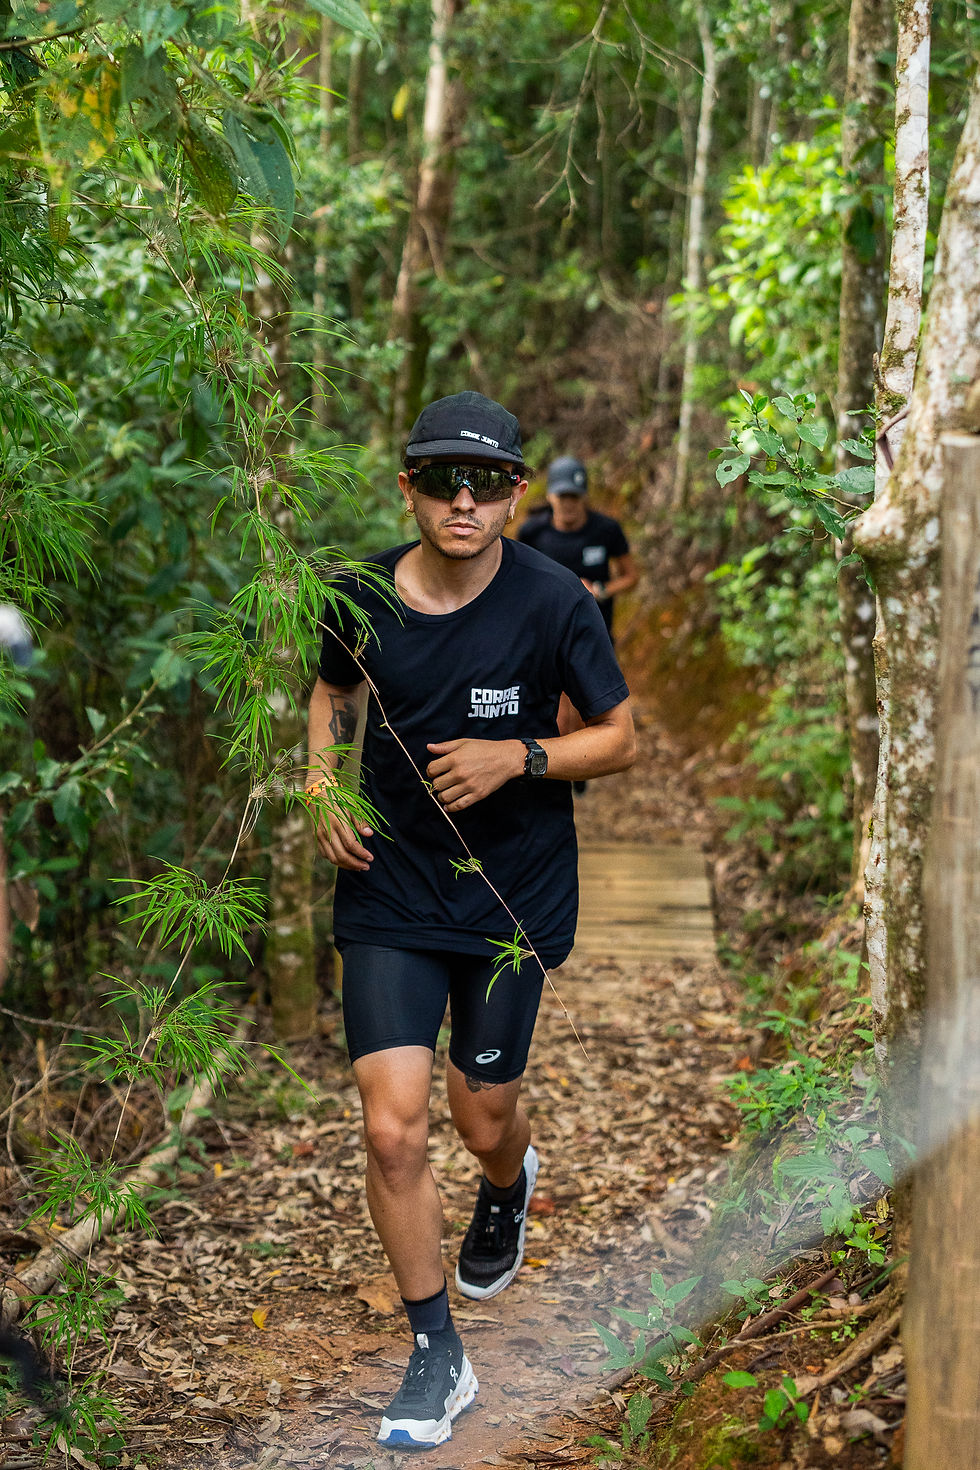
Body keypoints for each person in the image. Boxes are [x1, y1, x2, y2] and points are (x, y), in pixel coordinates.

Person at [305, 390, 635, 1450]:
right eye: (441, 479)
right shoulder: (356, 593)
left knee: (478, 1111)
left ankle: (507, 1180)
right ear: (405, 487)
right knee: (391, 1124)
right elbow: (330, 691)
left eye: (484, 482)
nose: (462, 498)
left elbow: (619, 737)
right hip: (391, 887)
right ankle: (434, 1351)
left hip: (510, 895)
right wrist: (322, 788)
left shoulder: (552, 602)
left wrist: (519, 757)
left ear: (514, 495)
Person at [517, 455, 637, 638]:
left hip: (595, 634)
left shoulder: (606, 530)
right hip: (547, 636)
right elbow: (519, 581)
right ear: (550, 496)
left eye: (574, 496)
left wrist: (601, 590)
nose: (568, 504)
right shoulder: (533, 532)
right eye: (562, 496)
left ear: (585, 496)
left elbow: (631, 577)